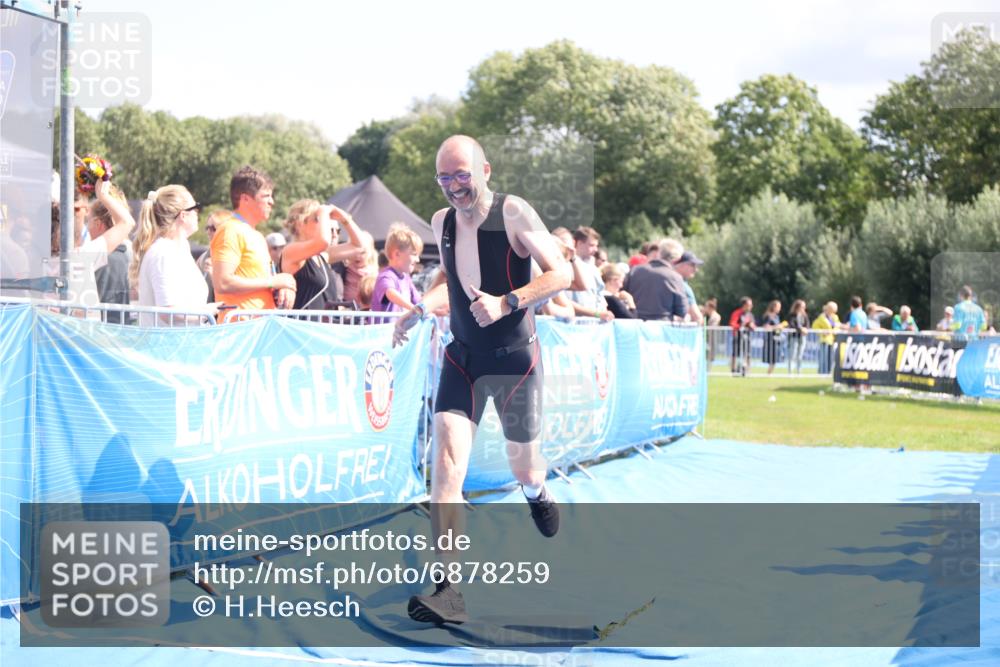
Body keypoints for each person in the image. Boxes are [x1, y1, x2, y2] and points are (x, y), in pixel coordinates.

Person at [392, 135, 571, 625]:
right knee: (446, 466)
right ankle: (449, 590)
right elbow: (450, 284)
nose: (453, 187)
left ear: (485, 170)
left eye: (462, 175)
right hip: (463, 357)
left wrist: (507, 301)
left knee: (525, 468)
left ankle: (537, 493)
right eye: (444, 178)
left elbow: (562, 274)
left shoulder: (513, 213)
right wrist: (419, 310)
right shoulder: (440, 222)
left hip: (515, 359)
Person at [210, 166, 296, 316]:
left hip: (259, 328)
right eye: (266, 196)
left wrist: (284, 287)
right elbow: (222, 282)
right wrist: (274, 282)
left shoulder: (257, 236)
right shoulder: (229, 230)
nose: (272, 202)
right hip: (240, 330)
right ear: (245, 199)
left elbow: (264, 282)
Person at [132, 185, 215, 326]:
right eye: (195, 208)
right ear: (183, 215)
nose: (197, 213)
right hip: (167, 345)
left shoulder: (178, 248)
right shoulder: (163, 253)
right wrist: (206, 311)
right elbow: (167, 311)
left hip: (180, 343)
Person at [280, 200, 364, 310]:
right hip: (302, 325)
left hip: (323, 325)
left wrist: (345, 219)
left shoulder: (323, 255)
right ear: (300, 224)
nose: (323, 224)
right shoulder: (290, 251)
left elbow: (359, 246)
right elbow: (324, 242)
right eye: (316, 219)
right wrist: (324, 211)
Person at [627, 238, 688, 321]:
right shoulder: (675, 277)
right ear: (677, 259)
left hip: (635, 326)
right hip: (662, 328)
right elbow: (682, 311)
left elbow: (622, 296)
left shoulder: (635, 271)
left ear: (659, 253)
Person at [372, 223, 424, 312]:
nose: (418, 260)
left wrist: (435, 310)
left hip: (399, 326)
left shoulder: (407, 279)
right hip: (385, 326)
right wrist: (413, 309)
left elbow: (419, 302)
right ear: (397, 254)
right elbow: (390, 293)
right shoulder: (386, 276)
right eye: (414, 254)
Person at [567, 226, 612, 320]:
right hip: (573, 324)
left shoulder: (594, 269)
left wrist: (602, 313)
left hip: (593, 326)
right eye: (591, 245)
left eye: (596, 246)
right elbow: (564, 301)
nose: (595, 249)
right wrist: (596, 314)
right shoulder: (567, 265)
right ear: (579, 243)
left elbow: (600, 296)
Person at [672, 249, 704, 324]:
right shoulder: (683, 286)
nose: (696, 269)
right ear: (682, 264)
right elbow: (697, 318)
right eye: (692, 265)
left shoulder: (668, 281)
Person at [812, 301, 842, 374]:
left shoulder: (835, 317)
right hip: (824, 340)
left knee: (830, 358)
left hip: (832, 340)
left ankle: (828, 371)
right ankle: (822, 372)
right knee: (823, 357)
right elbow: (814, 326)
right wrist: (822, 332)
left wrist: (834, 331)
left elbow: (838, 326)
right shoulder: (821, 317)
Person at [729, 296, 755, 376]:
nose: (751, 306)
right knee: (735, 354)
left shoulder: (750, 315)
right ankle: (733, 371)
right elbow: (732, 324)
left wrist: (751, 326)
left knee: (748, 354)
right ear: (744, 305)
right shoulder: (737, 313)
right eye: (749, 305)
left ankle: (748, 371)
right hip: (737, 337)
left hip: (747, 337)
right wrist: (742, 325)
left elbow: (754, 326)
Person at [760, 300, 785, 375]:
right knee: (771, 358)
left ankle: (769, 373)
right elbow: (766, 327)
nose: (779, 309)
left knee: (775, 358)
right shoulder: (767, 315)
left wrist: (780, 327)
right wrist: (776, 327)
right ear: (774, 307)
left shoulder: (777, 316)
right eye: (778, 307)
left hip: (776, 339)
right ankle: (769, 374)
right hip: (769, 339)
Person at [786, 299, 810, 374]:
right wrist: (801, 329)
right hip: (794, 337)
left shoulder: (804, 316)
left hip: (802, 337)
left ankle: (799, 371)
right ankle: (790, 371)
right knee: (793, 353)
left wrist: (806, 329)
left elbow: (807, 324)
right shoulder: (791, 315)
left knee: (800, 355)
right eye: (802, 307)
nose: (803, 308)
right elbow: (792, 324)